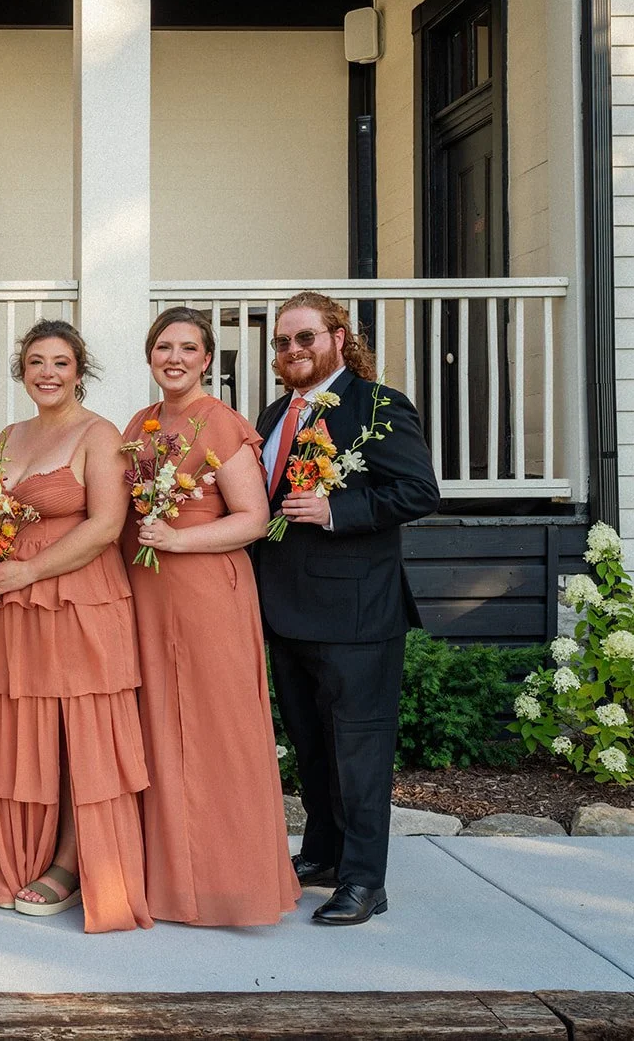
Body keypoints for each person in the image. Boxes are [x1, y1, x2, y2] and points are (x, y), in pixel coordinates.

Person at [253, 291, 439, 925]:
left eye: (304, 338)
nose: (293, 351)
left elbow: (418, 490)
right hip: (286, 609)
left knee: (359, 753)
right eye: (282, 342)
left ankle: (366, 881)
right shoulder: (277, 412)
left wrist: (337, 511)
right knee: (311, 746)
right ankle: (326, 853)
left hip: (357, 615)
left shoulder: (379, 405)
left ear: (337, 337)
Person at [0, 321, 150, 933]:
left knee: (80, 732)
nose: (48, 372)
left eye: (61, 362)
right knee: (25, 727)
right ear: (23, 370)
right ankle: (25, 852)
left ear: (79, 370)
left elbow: (103, 527)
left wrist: (29, 571)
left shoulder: (100, 435)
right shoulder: (7, 435)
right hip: (12, 607)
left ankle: (73, 863)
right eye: (37, 361)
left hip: (77, 601)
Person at [122, 307, 299, 927]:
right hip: (147, 594)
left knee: (214, 731)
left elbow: (253, 518)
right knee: (157, 729)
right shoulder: (140, 423)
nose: (174, 358)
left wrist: (178, 541)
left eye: (188, 348)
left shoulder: (221, 424)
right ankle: (167, 882)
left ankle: (229, 886)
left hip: (205, 592)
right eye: (163, 347)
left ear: (206, 359)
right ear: (150, 356)